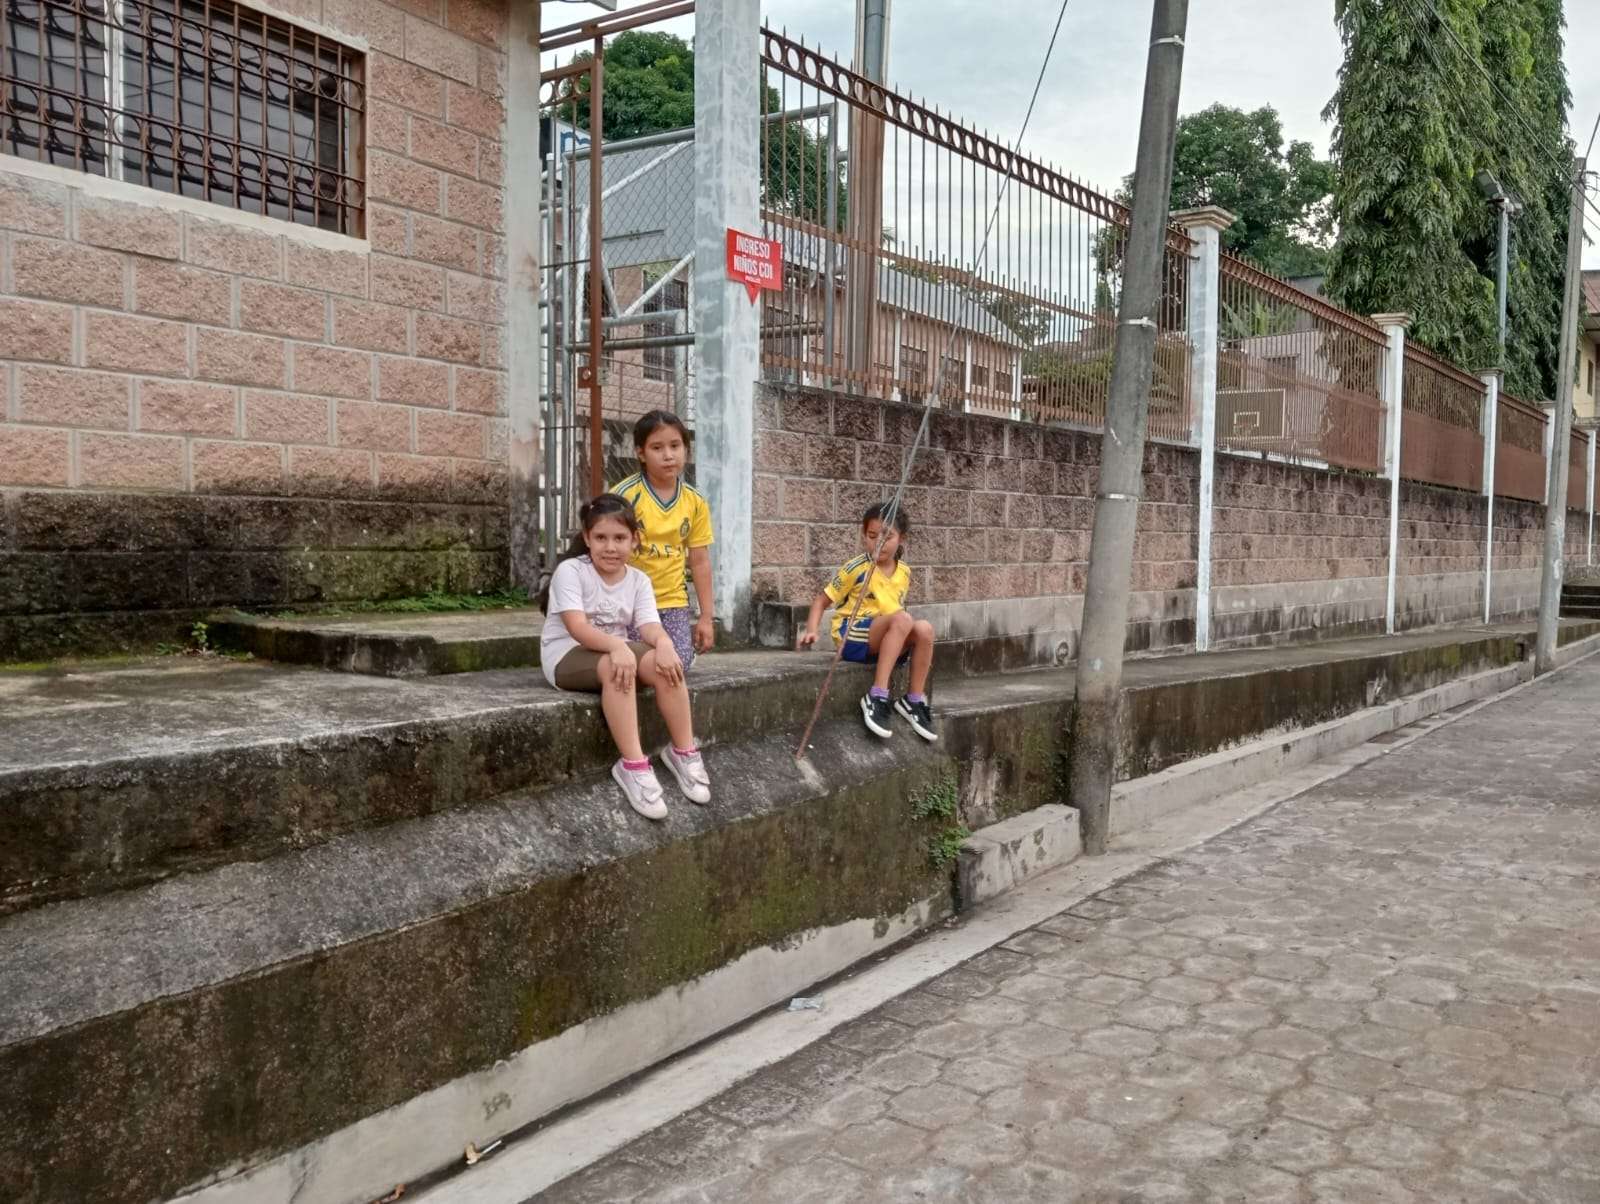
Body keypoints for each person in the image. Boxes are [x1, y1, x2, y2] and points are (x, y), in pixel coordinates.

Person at [539, 494, 712, 820]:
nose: (610, 547)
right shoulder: (571, 572)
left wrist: (663, 643)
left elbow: (648, 625)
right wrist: (617, 647)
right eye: (601, 538)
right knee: (618, 667)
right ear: (587, 538)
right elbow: (576, 627)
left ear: (635, 540)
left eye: (620, 538)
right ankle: (633, 765)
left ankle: (683, 753)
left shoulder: (638, 580)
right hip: (566, 656)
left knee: (666, 666)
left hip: (615, 650)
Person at [797, 502, 938, 742]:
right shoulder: (857, 567)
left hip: (884, 638)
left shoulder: (904, 571)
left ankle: (913, 700)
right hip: (852, 637)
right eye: (872, 536)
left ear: (901, 539)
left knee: (925, 629)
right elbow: (821, 601)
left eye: (887, 536)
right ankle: (877, 695)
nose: (879, 543)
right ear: (864, 537)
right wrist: (812, 630)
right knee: (903, 618)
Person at [611, 411, 715, 671]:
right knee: (637, 663)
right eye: (657, 448)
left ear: (686, 450)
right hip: (629, 602)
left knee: (676, 666)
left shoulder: (695, 502)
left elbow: (700, 562)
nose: (668, 455)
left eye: (675, 446)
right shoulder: (624, 497)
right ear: (641, 453)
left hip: (672, 602)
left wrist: (706, 617)